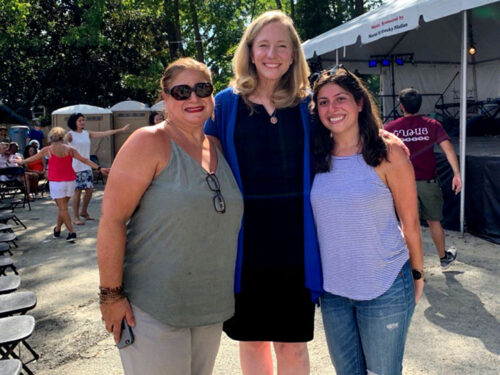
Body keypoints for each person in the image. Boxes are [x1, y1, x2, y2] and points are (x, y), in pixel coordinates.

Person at [97, 57, 243, 375]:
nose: (193, 98)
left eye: (202, 88)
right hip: (152, 308)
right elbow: (112, 220)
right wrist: (110, 295)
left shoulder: (218, 146)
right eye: (181, 91)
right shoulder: (148, 142)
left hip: (209, 307)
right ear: (165, 98)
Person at [204, 10, 322, 374]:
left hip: (296, 240)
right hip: (244, 241)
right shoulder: (224, 104)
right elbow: (200, 156)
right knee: (252, 340)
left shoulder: (309, 105)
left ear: (293, 54)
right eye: (264, 45)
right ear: (250, 51)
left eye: (282, 46)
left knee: (292, 344)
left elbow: (347, 134)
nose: (272, 54)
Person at [309, 66, 424, 375]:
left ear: (360, 103)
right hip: (334, 292)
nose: (332, 109)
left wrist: (418, 273)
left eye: (340, 99)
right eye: (323, 101)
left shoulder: (389, 153)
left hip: (384, 286)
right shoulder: (315, 156)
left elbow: (410, 223)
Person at [385, 88, 462, 269]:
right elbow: (449, 149)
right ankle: (443, 258)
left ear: (401, 106)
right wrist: (457, 174)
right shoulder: (432, 124)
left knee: (409, 226)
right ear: (420, 104)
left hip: (402, 185)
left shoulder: (390, 128)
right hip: (428, 182)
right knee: (434, 222)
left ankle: (414, 268)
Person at [21, 127, 106, 242]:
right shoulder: (70, 149)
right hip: (70, 181)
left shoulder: (47, 149)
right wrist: (99, 168)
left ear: (51, 138)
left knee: (63, 208)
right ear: (63, 137)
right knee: (63, 208)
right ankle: (57, 229)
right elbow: (85, 160)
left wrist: (21, 161)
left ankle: (72, 232)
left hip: (56, 182)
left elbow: (32, 158)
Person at [65, 113, 130, 225]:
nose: (83, 122)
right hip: (75, 168)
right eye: (80, 120)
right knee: (77, 192)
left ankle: (84, 212)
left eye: (83, 120)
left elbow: (104, 133)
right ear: (74, 122)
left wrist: (120, 130)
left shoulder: (87, 133)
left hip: (87, 166)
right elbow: (59, 142)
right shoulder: (70, 135)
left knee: (89, 190)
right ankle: (75, 217)